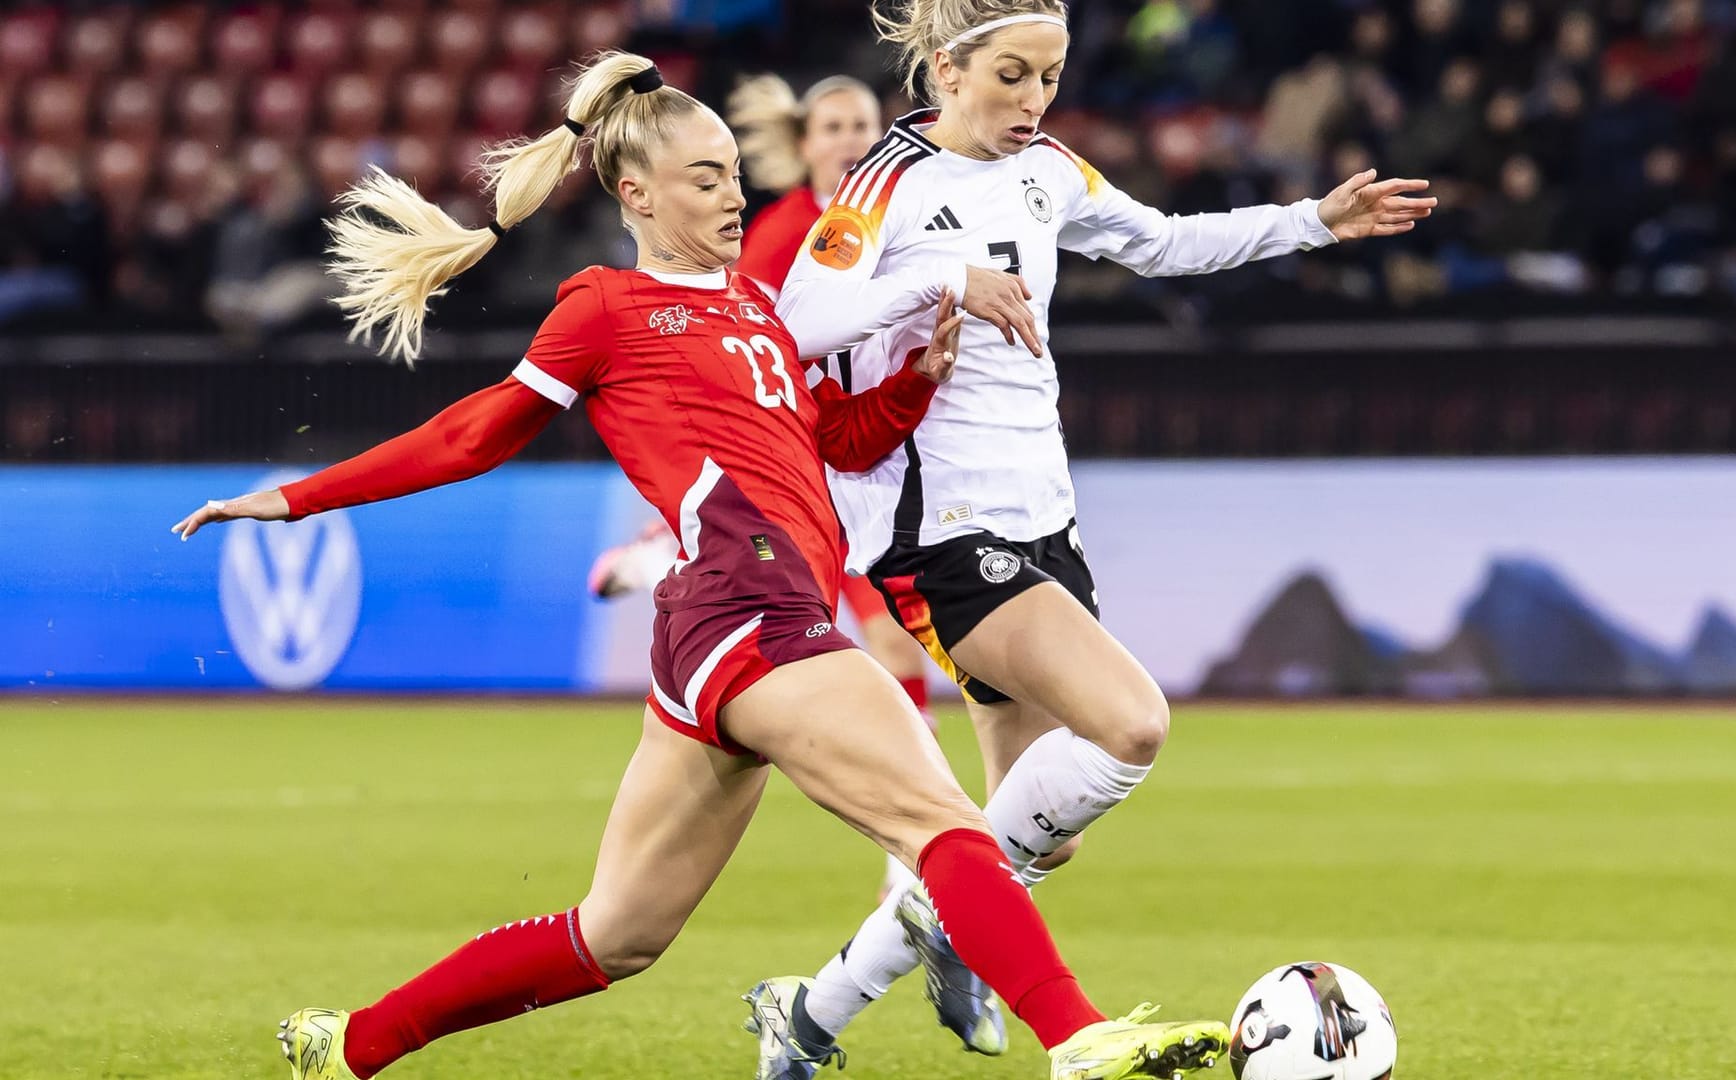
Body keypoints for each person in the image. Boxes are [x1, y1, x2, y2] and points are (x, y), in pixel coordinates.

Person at [169, 49, 1226, 1080]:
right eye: (706, 177)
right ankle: (1080, 1041)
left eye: (733, 173)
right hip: (749, 603)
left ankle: (347, 1046)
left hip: (717, 629)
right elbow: (475, 433)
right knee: (945, 825)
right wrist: (295, 497)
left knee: (616, 935)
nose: (734, 196)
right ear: (635, 191)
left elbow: (832, 448)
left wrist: (912, 386)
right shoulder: (604, 306)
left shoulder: (756, 308)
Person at [743, 2, 1438, 1076]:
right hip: (941, 538)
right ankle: (1060, 1029)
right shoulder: (883, 184)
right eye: (1012, 76)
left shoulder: (1051, 171)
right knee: (1132, 723)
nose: (1033, 103)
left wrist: (1312, 221)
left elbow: (1161, 244)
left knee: (1027, 846)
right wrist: (946, 278)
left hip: (1045, 526)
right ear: (946, 68)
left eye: (1051, 80)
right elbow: (798, 323)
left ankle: (811, 1012)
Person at [592, 69, 942, 786]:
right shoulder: (780, 237)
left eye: (863, 126)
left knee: (900, 653)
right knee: (889, 650)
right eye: (834, 127)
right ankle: (670, 545)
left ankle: (909, 854)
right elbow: (736, 362)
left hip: (870, 456)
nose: (851, 141)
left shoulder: (899, 222)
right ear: (806, 144)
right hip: (805, 467)